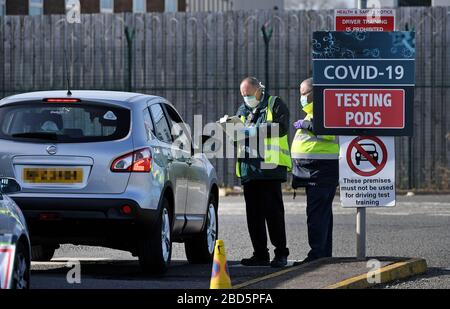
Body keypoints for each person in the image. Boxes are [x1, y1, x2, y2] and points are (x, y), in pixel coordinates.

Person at [235, 76, 292, 268]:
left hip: (270, 169)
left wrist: (253, 130)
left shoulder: (274, 104)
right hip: (249, 170)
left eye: (249, 94)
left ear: (259, 90)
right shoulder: (243, 110)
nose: (246, 98)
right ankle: (260, 254)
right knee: (254, 216)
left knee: (273, 214)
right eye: (243, 95)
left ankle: (281, 253)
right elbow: (237, 134)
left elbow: (281, 128)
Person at [291, 78, 339, 264]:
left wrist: (306, 125)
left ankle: (317, 255)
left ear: (315, 93)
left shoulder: (324, 109)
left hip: (319, 171)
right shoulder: (313, 113)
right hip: (317, 170)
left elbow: (327, 131)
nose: (301, 97)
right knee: (323, 214)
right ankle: (324, 254)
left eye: (304, 93)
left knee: (316, 215)